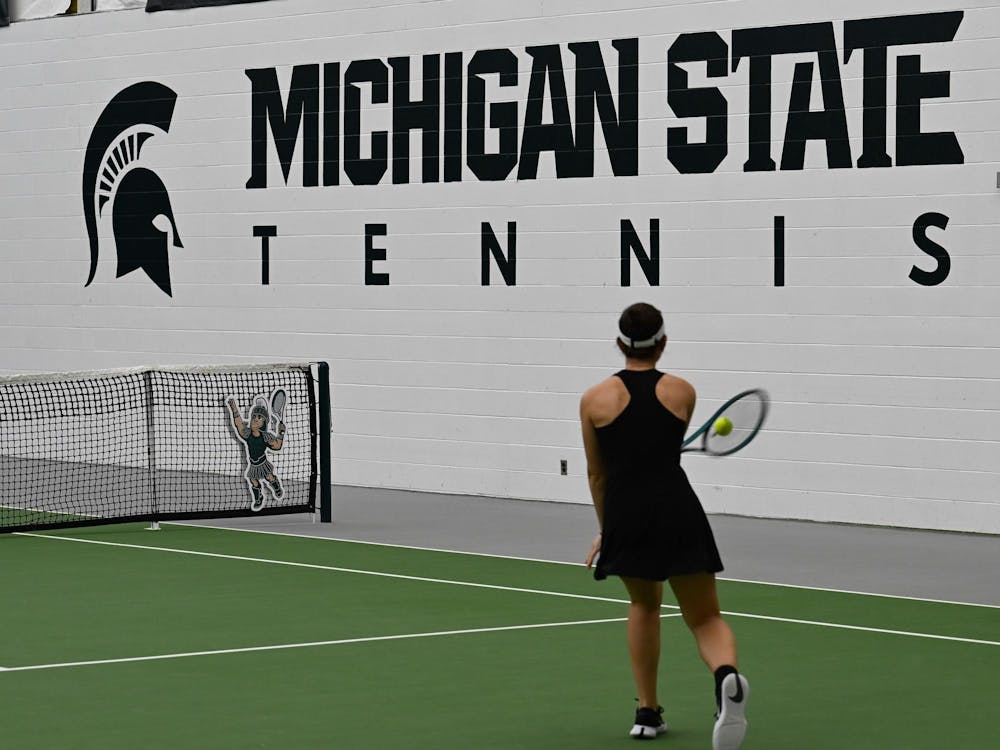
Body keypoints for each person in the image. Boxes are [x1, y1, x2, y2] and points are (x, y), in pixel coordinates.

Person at [580, 302, 749, 748]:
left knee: (645, 606)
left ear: (619, 343)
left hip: (627, 515)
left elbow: (598, 474)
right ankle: (726, 676)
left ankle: (647, 712)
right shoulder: (683, 393)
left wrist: (607, 528)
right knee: (706, 616)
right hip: (678, 510)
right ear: (663, 342)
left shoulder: (594, 400)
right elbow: (658, 448)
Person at [226, 395, 285, 511]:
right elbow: (239, 425)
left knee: (268, 476)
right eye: (254, 417)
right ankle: (259, 498)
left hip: (263, 463)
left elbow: (277, 446)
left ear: (264, 423)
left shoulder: (266, 437)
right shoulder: (247, 434)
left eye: (259, 418)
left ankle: (276, 486)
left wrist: (281, 432)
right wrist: (234, 409)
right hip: (253, 464)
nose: (255, 419)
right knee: (253, 480)